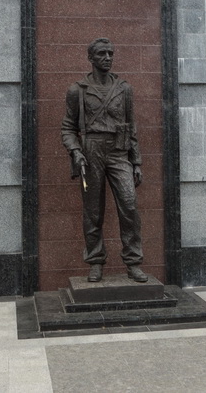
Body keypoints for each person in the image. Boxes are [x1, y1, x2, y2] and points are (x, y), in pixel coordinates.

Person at [61, 38, 147, 282]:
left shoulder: (124, 88)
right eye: (102, 54)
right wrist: (75, 151)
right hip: (91, 152)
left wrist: (137, 162)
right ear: (91, 58)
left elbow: (131, 127)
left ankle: (133, 262)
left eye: (110, 53)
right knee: (93, 211)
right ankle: (96, 261)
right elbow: (67, 128)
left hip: (119, 152)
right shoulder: (77, 90)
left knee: (129, 206)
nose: (108, 57)